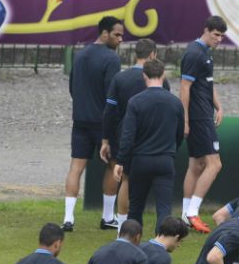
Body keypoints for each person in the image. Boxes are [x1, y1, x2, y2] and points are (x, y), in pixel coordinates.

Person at [62, 16, 124, 232]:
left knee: (76, 167)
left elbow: (72, 88)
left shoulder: (79, 55)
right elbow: (112, 96)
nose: (120, 39)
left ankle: (68, 218)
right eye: (117, 35)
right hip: (103, 122)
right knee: (114, 165)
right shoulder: (112, 59)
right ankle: (108, 217)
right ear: (104, 33)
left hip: (80, 120)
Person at [101, 38, 169, 228]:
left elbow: (109, 112)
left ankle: (122, 227)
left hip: (125, 136)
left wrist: (106, 139)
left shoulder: (120, 78)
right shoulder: (161, 81)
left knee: (127, 180)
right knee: (159, 185)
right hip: (153, 138)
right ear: (152, 55)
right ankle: (160, 230)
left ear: (135, 54)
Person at [114, 58, 184, 234]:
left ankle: (130, 242)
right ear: (163, 75)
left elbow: (128, 136)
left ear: (144, 75)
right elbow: (180, 133)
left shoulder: (135, 102)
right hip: (165, 159)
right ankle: (161, 244)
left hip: (140, 160)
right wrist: (171, 151)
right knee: (164, 208)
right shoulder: (175, 103)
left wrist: (120, 161)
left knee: (136, 207)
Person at [180, 15, 227, 233]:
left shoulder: (205, 53)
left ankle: (184, 214)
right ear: (206, 30)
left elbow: (207, 84)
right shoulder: (193, 53)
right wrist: (186, 119)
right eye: (216, 35)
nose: (219, 39)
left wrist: (218, 106)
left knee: (197, 165)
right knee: (214, 164)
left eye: (221, 36)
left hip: (204, 113)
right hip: (198, 117)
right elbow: (184, 88)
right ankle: (192, 212)